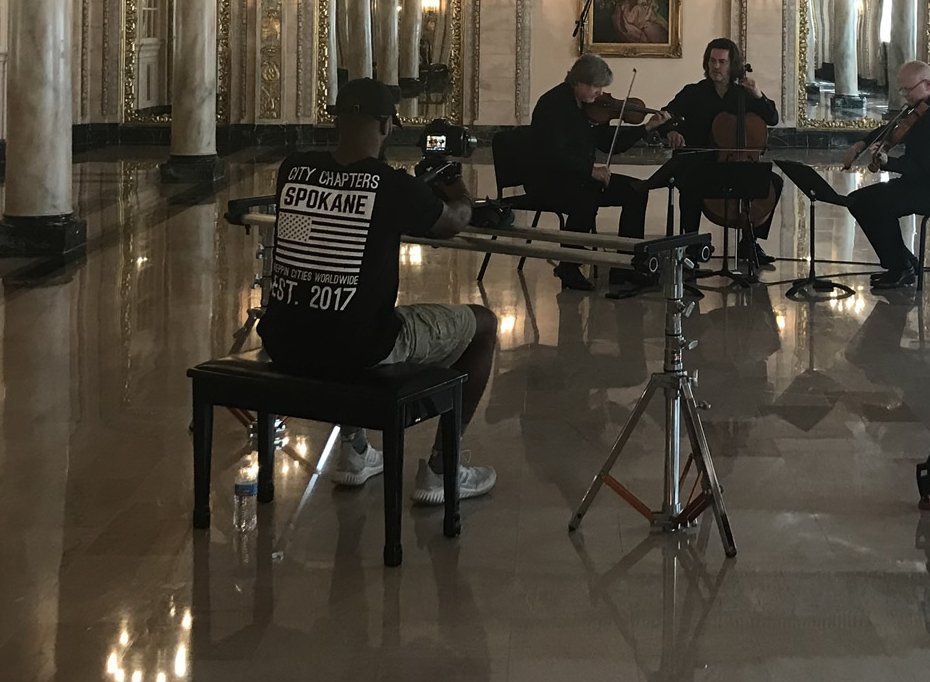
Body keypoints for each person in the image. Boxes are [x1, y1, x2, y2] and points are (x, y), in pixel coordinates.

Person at [258, 78, 498, 504]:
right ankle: (442, 470)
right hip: (361, 349)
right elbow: (451, 221)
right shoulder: (391, 185)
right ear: (386, 125)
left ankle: (355, 451)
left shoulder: (292, 168)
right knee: (483, 324)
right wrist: (459, 194)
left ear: (336, 120)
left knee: (342, 313)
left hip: (284, 339)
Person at [528, 53, 670, 290]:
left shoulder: (592, 108)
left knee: (636, 190)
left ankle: (626, 265)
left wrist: (646, 128)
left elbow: (608, 143)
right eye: (596, 87)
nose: (600, 93)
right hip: (549, 180)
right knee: (585, 197)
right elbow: (553, 153)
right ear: (578, 82)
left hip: (579, 177)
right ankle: (569, 266)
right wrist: (590, 170)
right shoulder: (553, 104)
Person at [842, 60, 930, 291]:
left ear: (927, 84)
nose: (904, 94)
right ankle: (904, 262)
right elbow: (892, 128)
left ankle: (901, 267)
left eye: (908, 89)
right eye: (902, 89)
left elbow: (922, 167)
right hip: (920, 183)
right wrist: (861, 144)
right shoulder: (920, 109)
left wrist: (889, 163)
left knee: (878, 205)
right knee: (857, 200)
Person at [661, 38, 782, 265]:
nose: (716, 66)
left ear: (732, 65)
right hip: (701, 165)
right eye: (712, 61)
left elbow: (772, 118)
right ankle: (691, 244)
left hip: (736, 165)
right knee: (690, 184)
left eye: (722, 62)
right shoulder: (693, 92)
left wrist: (759, 94)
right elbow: (665, 115)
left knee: (773, 182)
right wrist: (671, 131)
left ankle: (749, 242)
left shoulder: (745, 94)